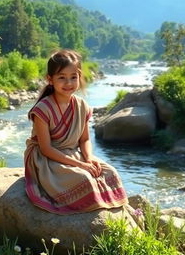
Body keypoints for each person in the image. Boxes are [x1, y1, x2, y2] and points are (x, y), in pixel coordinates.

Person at [24, 49, 127, 214]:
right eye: (61, 78)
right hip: (46, 159)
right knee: (84, 178)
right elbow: (46, 149)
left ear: (79, 77)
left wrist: (89, 159)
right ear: (50, 80)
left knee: (109, 173)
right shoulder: (42, 109)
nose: (69, 83)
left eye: (73, 77)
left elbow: (85, 140)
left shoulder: (82, 106)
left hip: (72, 154)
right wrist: (81, 165)